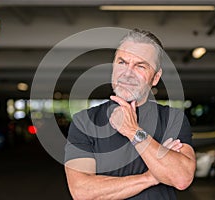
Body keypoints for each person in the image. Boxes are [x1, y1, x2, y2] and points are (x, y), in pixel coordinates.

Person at [64, 29, 196, 200]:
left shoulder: (172, 119)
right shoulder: (84, 121)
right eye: (122, 62)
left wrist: (133, 131)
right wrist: (151, 177)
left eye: (140, 66)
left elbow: (181, 178)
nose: (127, 73)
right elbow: (82, 192)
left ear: (155, 77)